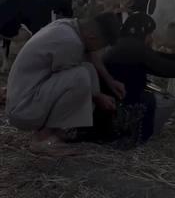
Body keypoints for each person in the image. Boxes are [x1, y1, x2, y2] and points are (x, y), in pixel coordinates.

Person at [5, 12, 125, 155]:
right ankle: (43, 140)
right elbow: (74, 81)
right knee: (80, 76)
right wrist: (98, 96)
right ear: (93, 37)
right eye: (101, 46)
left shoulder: (69, 26)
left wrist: (110, 81)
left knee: (88, 70)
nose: (99, 50)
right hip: (24, 110)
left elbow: (89, 54)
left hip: (25, 98)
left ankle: (57, 133)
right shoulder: (69, 41)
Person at [76, 12, 175, 145]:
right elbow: (168, 69)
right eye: (150, 34)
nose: (151, 39)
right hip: (114, 109)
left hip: (102, 109)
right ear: (143, 32)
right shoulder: (136, 49)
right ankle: (135, 138)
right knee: (151, 100)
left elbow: (155, 56)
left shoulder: (124, 43)